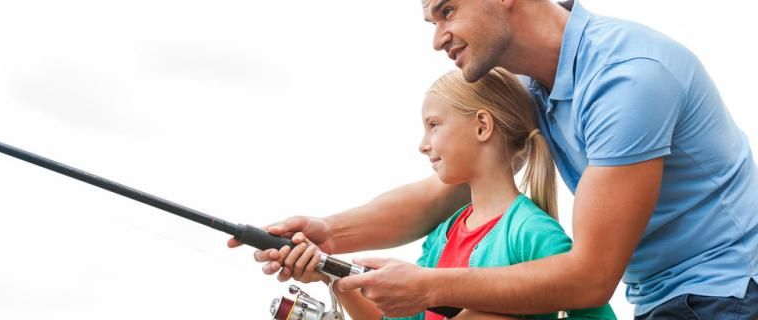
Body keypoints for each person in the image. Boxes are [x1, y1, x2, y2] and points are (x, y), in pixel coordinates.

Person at [231, 0, 758, 318]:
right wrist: (328, 236)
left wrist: (427, 285)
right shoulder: (537, 84)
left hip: (729, 295)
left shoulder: (627, 79)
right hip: (674, 301)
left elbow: (592, 277)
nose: (438, 37)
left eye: (447, 10)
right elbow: (449, 191)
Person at [282, 68, 616, 319]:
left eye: (434, 124)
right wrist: (337, 278)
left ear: (482, 126)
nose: (423, 144)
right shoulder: (443, 235)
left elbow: (593, 310)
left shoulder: (533, 233)